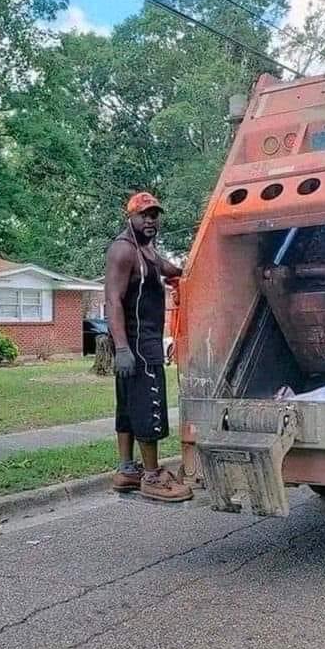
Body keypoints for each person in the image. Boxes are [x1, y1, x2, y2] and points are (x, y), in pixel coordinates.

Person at [105, 192, 193, 502]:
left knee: (128, 407)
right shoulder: (123, 251)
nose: (150, 220)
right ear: (130, 217)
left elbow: (169, 268)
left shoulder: (147, 251)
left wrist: (184, 273)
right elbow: (112, 300)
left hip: (139, 342)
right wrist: (123, 348)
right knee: (148, 405)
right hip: (138, 343)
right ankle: (153, 476)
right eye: (144, 214)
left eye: (154, 214)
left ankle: (128, 470)